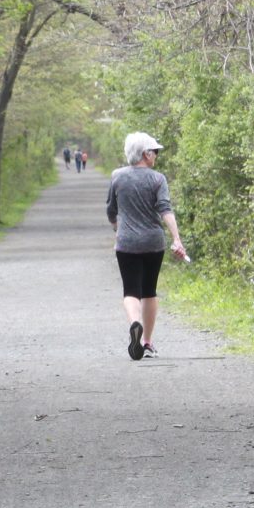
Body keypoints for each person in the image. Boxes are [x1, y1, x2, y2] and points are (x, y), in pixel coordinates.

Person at [106, 131, 188, 360]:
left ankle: (135, 323)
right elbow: (165, 209)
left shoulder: (117, 176)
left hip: (126, 242)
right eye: (155, 152)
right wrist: (177, 239)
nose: (157, 156)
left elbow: (111, 210)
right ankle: (147, 342)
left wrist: (116, 228)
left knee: (131, 289)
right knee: (149, 290)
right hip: (153, 242)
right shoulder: (157, 179)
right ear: (146, 154)